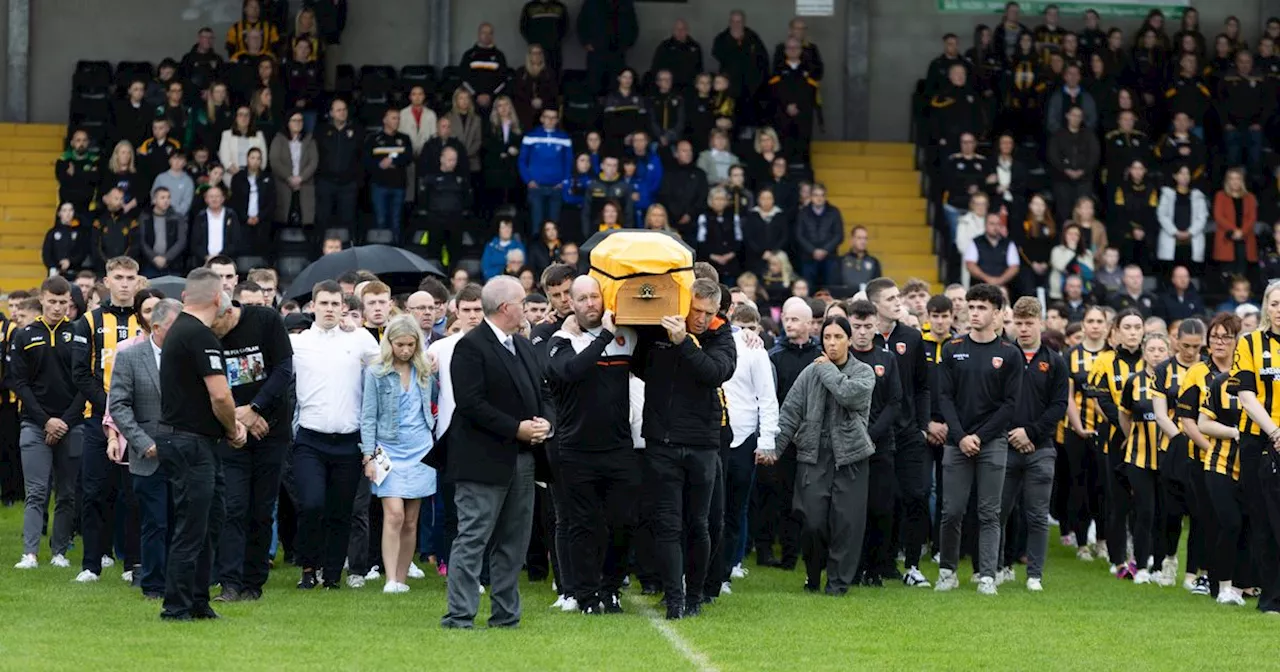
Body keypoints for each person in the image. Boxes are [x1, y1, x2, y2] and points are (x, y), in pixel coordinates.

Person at [439, 277, 555, 629]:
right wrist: (515, 428)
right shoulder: (470, 347)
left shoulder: (522, 345)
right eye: (522, 301)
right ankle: (459, 615)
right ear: (506, 307)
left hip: (522, 459)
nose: (528, 307)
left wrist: (545, 424)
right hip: (481, 461)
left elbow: (544, 392)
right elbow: (471, 403)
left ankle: (506, 615)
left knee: (514, 542)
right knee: (473, 538)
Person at [631, 279, 736, 619]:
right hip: (662, 441)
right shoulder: (658, 331)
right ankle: (674, 598)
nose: (702, 318)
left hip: (703, 443)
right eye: (697, 310)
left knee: (699, 524)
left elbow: (716, 372)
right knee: (667, 524)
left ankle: (695, 596)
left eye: (709, 312)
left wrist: (684, 344)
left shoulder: (721, 336)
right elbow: (638, 364)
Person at [759, 314, 874, 595]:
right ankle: (812, 575)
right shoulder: (810, 373)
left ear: (849, 340)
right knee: (812, 522)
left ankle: (838, 583)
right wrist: (773, 449)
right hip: (813, 455)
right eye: (827, 338)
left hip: (851, 458)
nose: (832, 344)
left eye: (838, 337)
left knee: (846, 524)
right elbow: (789, 413)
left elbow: (848, 395)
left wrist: (826, 369)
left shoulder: (863, 372)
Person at [155, 268, 245, 621]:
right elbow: (220, 395)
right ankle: (176, 606)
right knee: (193, 527)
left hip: (187, 441)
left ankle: (196, 600)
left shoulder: (180, 330)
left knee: (208, 522)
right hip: (191, 443)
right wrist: (233, 428)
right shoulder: (200, 336)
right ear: (216, 298)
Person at [545, 276, 638, 613]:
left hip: (618, 449)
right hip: (576, 450)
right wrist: (604, 337)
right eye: (581, 298)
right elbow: (570, 371)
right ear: (571, 302)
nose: (589, 304)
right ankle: (585, 596)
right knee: (583, 525)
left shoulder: (626, 336)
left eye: (594, 297)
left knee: (622, 522)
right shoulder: (560, 339)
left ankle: (610, 589)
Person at [291, 280, 381, 590]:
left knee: (341, 511)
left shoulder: (360, 339)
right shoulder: (298, 343)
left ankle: (331, 575)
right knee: (312, 504)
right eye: (324, 303)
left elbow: (388, 364)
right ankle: (307, 567)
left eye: (335, 304)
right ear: (312, 306)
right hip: (310, 439)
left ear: (343, 307)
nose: (329, 309)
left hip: (348, 440)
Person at [935, 283, 1023, 594]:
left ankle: (987, 575)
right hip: (957, 443)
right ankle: (947, 571)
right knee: (952, 510)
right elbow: (944, 398)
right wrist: (960, 437)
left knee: (989, 512)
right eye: (971, 307)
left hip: (993, 442)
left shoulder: (1009, 355)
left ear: (997, 313)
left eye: (982, 308)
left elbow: (1010, 405)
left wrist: (980, 437)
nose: (974, 313)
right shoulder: (952, 348)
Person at [207, 291, 293, 602]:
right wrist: (236, 418)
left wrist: (255, 408)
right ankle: (229, 582)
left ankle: (253, 583)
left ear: (227, 313)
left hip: (272, 430)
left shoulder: (266, 320)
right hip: (230, 432)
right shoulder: (207, 332)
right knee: (233, 507)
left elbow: (283, 370)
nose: (211, 329)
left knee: (261, 509)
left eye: (214, 323)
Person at [70, 256, 142, 583]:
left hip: (139, 420)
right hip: (97, 418)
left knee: (134, 493)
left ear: (138, 282)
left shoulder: (147, 320)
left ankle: (132, 563)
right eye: (119, 277)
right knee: (95, 491)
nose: (125, 283)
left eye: (130, 277)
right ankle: (91, 564)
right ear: (107, 280)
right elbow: (81, 374)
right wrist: (110, 406)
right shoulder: (87, 321)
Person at [359, 315, 439, 594]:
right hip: (388, 449)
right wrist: (368, 456)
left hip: (421, 447)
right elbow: (368, 416)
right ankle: (390, 577)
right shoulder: (376, 372)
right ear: (388, 343)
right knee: (393, 514)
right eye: (399, 344)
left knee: (411, 519)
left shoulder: (425, 370)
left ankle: (402, 579)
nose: (405, 350)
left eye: (410, 344)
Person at [108, 295, 181, 598]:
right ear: (157, 326)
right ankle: (152, 583)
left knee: (181, 522)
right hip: (147, 453)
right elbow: (120, 406)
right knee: (155, 522)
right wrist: (141, 442)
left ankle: (179, 581)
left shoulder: (188, 355)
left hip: (184, 451)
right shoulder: (130, 357)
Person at [8, 277, 82, 571]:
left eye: (63, 303)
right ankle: (30, 553)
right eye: (52, 301)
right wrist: (45, 420)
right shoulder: (24, 335)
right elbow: (20, 383)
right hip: (34, 424)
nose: (57, 307)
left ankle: (59, 552)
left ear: (69, 304)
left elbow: (83, 383)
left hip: (71, 424)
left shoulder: (77, 333)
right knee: (36, 491)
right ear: (41, 299)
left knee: (66, 492)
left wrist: (64, 421)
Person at [864, 278, 932, 587]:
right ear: (875, 304)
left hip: (908, 434)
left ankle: (913, 564)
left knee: (916, 495)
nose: (898, 302)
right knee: (883, 500)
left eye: (897, 297)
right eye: (891, 298)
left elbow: (922, 387)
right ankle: (881, 562)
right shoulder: (864, 339)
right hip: (876, 435)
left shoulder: (912, 337)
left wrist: (922, 424)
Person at [997, 297, 1068, 591]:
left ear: (1040, 323)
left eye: (1029, 323)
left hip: (1041, 448)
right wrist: (1013, 432)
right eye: (1019, 323)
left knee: (1036, 514)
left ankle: (1035, 574)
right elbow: (992, 402)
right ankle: (998, 567)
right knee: (997, 512)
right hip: (1003, 444)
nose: (1024, 329)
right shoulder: (1000, 357)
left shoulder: (1055, 361)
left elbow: (1058, 406)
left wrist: (1031, 433)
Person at [1226, 281, 1280, 614]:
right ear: (1265, 307)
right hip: (1259, 440)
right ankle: (1272, 598)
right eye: (1274, 303)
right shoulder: (1249, 343)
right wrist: (1275, 431)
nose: (1279, 309)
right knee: (1264, 521)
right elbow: (1245, 395)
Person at [1188, 313, 1247, 605]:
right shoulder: (1216, 381)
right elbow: (1199, 422)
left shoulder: (1257, 379)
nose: (1220, 342)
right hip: (1218, 462)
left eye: (1227, 336)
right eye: (1215, 337)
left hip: (1251, 466)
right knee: (1228, 522)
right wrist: (1234, 433)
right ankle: (1221, 585)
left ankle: (1244, 584)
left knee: (1250, 524)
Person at [520, 108, 573, 235]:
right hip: (536, 187)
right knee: (537, 224)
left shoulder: (564, 137)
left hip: (556, 188)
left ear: (557, 120)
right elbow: (522, 160)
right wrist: (528, 180)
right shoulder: (530, 136)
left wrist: (564, 182)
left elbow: (569, 162)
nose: (550, 120)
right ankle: (537, 253)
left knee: (554, 225)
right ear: (541, 119)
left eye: (553, 117)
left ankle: (553, 252)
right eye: (547, 117)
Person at [364, 108, 414, 240]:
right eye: (393, 118)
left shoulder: (404, 138)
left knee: (396, 222)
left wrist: (392, 161)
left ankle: (396, 251)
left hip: (398, 186)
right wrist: (379, 164)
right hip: (379, 185)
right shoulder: (373, 139)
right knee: (380, 220)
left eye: (398, 118)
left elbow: (408, 157)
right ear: (385, 120)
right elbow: (366, 160)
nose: (396, 121)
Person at [1047, 106, 1101, 224]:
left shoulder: (1089, 135)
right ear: (1067, 116)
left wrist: (1083, 170)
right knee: (1064, 213)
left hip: (1084, 180)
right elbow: (1053, 156)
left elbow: (1094, 155)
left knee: (1084, 212)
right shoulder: (1058, 135)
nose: (1075, 118)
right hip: (1062, 179)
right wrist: (1065, 170)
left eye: (1079, 116)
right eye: (1073, 115)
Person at [314, 98, 361, 231]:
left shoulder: (356, 131)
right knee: (323, 220)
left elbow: (360, 156)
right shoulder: (321, 131)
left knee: (347, 221)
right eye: (338, 110)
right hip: (326, 182)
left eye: (344, 109)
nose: (342, 112)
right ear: (331, 113)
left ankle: (348, 250)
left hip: (348, 184)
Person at [269, 111, 319, 230]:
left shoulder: (310, 140)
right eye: (294, 120)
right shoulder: (279, 139)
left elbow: (313, 162)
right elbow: (275, 161)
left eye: (300, 120)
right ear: (288, 123)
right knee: (282, 222)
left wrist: (300, 179)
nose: (298, 123)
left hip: (305, 185)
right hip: (283, 185)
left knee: (305, 224)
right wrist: (289, 178)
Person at [1155, 165, 1209, 276]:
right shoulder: (1167, 194)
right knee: (1169, 274)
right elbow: (1162, 215)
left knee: (1189, 275)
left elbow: (1202, 217)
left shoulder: (1198, 195)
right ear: (1175, 176)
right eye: (1181, 173)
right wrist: (1175, 232)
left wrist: (1190, 232)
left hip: (1191, 241)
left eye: (1187, 174)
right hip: (1171, 239)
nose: (1185, 176)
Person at [577, 0, 638, 95]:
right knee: (594, 83)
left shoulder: (625, 3)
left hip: (617, 51)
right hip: (597, 50)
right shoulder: (591, 3)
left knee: (615, 84)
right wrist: (586, 42)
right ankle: (595, 108)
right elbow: (581, 23)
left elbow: (633, 25)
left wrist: (627, 44)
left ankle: (613, 108)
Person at [795, 183, 843, 289]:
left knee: (831, 289)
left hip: (830, 256)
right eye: (816, 195)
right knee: (808, 289)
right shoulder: (803, 212)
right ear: (811, 197)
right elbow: (799, 235)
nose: (819, 198)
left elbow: (839, 235)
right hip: (808, 257)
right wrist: (813, 250)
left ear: (825, 197)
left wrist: (825, 250)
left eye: (822, 195)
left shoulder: (834, 212)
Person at [459, 23, 509, 112]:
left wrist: (490, 95)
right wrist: (476, 95)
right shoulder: (469, 55)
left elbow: (503, 80)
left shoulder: (499, 56)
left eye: (489, 33)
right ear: (478, 34)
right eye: (484, 32)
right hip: (472, 101)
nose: (486, 36)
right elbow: (463, 78)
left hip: (494, 103)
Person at [965, 213, 1020, 293]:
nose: (995, 227)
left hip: (1003, 288)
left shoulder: (1008, 243)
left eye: (998, 224)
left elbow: (1014, 267)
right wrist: (988, 279)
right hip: (979, 288)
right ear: (985, 225)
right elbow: (970, 265)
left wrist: (999, 281)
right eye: (992, 224)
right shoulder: (976, 242)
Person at [189, 185, 243, 264]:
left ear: (223, 199)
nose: (214, 199)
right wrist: (206, 256)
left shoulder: (231, 215)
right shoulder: (200, 217)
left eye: (217, 196)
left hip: (227, 261)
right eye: (211, 197)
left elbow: (236, 240)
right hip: (204, 261)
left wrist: (220, 257)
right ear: (206, 199)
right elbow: (195, 242)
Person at [56, 129, 101, 215]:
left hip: (87, 206)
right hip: (66, 206)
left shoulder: (95, 160)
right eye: (78, 140)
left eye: (84, 140)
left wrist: (75, 174)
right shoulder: (63, 160)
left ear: (88, 143)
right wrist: (87, 175)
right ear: (72, 143)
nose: (81, 143)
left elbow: (96, 179)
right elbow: (63, 180)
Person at [519, 0, 569, 74]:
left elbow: (565, 26)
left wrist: (557, 39)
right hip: (536, 47)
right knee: (536, 71)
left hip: (554, 46)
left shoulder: (559, 6)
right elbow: (524, 26)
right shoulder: (530, 7)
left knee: (555, 70)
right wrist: (532, 41)